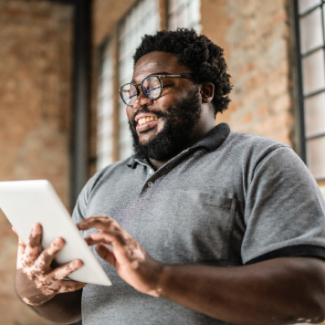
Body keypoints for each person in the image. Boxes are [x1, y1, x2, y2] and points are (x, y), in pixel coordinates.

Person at [14, 29, 325, 325]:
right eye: (133, 91)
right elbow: (74, 309)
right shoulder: (100, 184)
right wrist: (36, 292)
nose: (138, 101)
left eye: (154, 85)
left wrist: (159, 277)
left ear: (204, 91)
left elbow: (312, 293)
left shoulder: (260, 162)